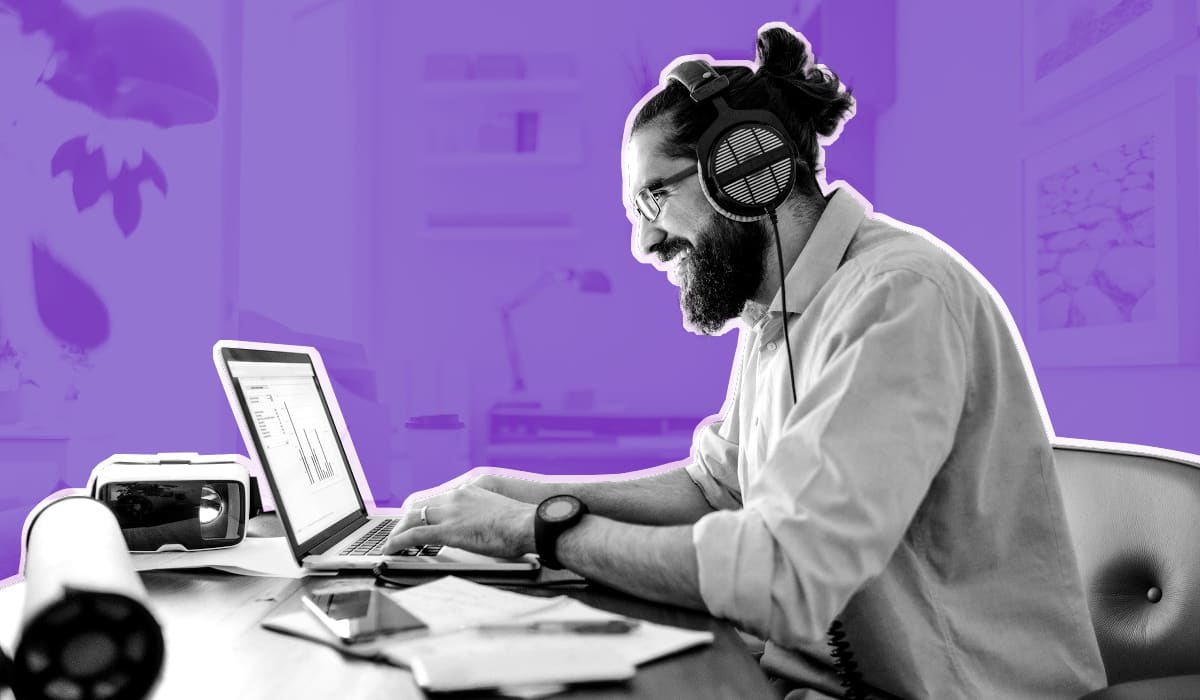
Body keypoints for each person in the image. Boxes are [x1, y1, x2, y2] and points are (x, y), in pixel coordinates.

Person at [386, 22, 1106, 699]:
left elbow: (783, 574)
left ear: (746, 169)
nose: (645, 244)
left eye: (653, 198)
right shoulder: (781, 307)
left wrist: (534, 532)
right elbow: (716, 487)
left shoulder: (897, 298)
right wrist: (514, 492)